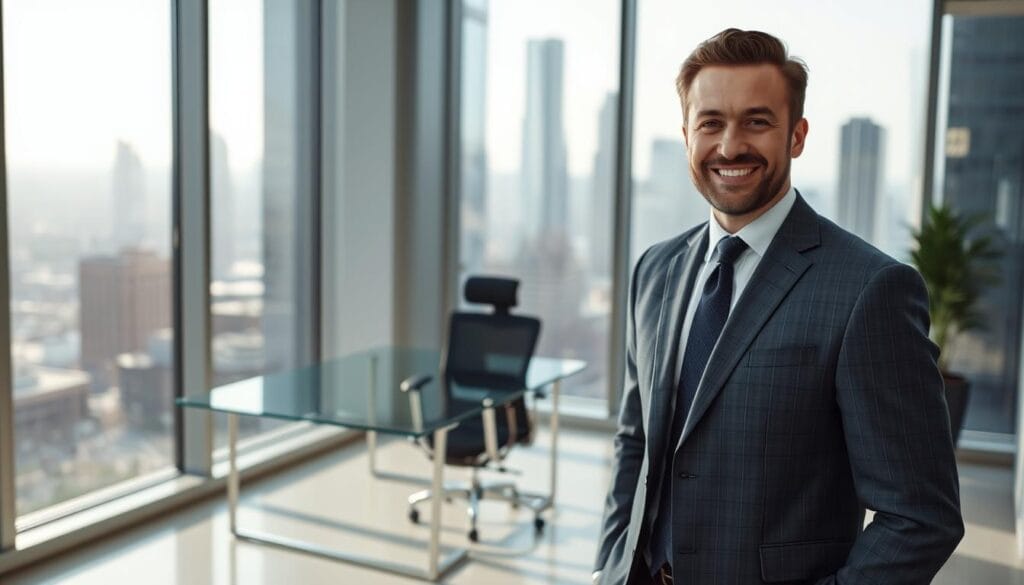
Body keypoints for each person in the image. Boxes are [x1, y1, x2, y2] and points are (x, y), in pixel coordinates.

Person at [593, 28, 964, 584]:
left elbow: (920, 516)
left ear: (797, 135)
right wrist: (609, 565)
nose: (729, 146)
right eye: (710, 122)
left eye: (757, 121)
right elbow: (635, 443)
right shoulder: (655, 271)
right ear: (686, 134)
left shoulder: (870, 290)